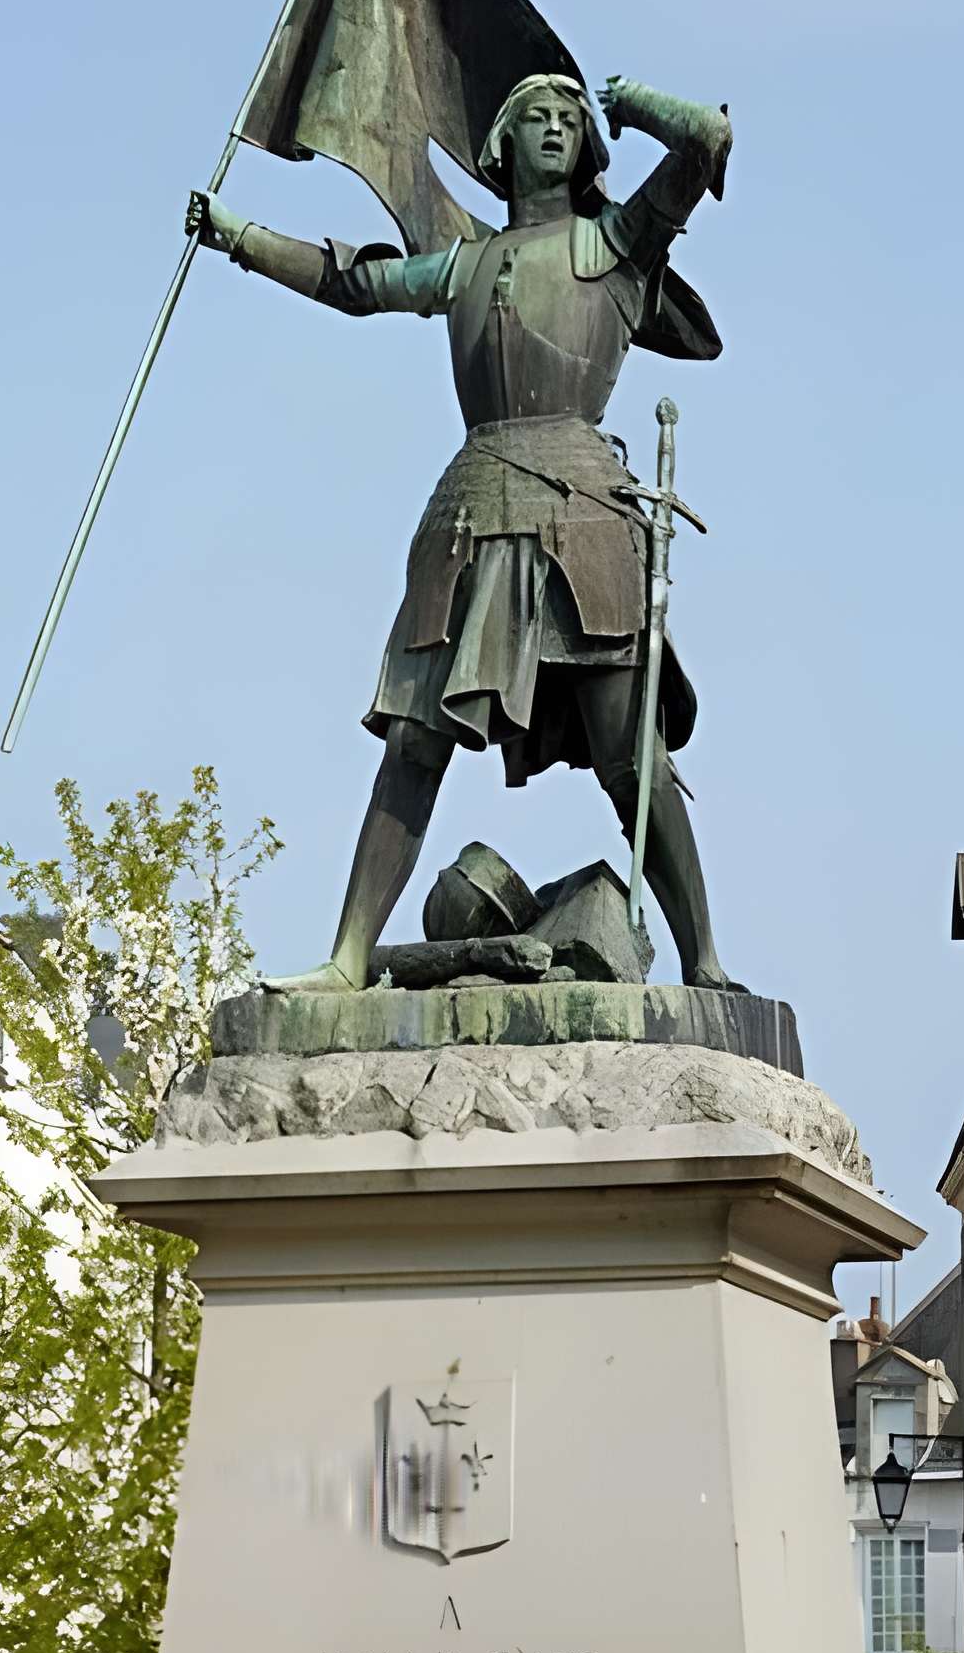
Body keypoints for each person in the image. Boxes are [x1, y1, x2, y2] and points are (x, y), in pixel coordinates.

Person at [188, 71, 743, 990]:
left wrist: (636, 104)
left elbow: (708, 148)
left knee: (629, 751)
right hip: (472, 506)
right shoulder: (464, 263)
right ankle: (347, 957)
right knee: (414, 738)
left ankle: (706, 961)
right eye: (539, 116)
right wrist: (238, 237)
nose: (559, 128)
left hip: (585, 511)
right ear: (500, 145)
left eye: (573, 119)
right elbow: (353, 282)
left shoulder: (616, 245)